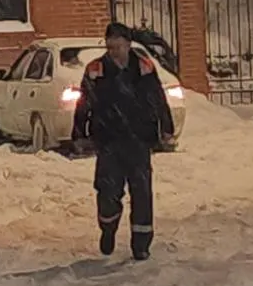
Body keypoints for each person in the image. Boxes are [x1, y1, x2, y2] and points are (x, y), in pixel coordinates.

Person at [70, 22, 176, 261]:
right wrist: (79, 132)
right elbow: (83, 102)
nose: (114, 51)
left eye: (118, 46)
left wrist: (165, 127)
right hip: (109, 141)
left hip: (138, 141)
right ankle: (108, 228)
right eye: (110, 47)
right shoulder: (96, 69)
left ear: (128, 44)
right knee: (107, 191)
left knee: (142, 193)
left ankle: (141, 244)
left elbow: (157, 98)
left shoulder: (144, 67)